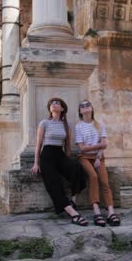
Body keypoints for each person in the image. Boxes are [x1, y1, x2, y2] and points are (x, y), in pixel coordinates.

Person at [30, 97, 88, 226]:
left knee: (76, 168)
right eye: (52, 103)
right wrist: (36, 163)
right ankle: (73, 214)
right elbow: (38, 145)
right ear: (50, 109)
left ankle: (73, 200)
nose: (54, 104)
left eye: (57, 103)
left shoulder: (65, 125)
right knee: (54, 184)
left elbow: (66, 145)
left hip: (60, 154)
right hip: (47, 156)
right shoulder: (44, 123)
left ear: (62, 109)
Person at [75, 100, 121, 227]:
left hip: (98, 158)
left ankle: (111, 211)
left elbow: (104, 145)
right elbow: (82, 148)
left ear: (92, 108)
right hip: (84, 158)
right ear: (80, 111)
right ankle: (96, 211)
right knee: (93, 177)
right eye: (82, 106)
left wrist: (97, 156)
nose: (85, 107)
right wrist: (99, 145)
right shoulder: (78, 126)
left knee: (105, 182)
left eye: (87, 105)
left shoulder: (99, 124)